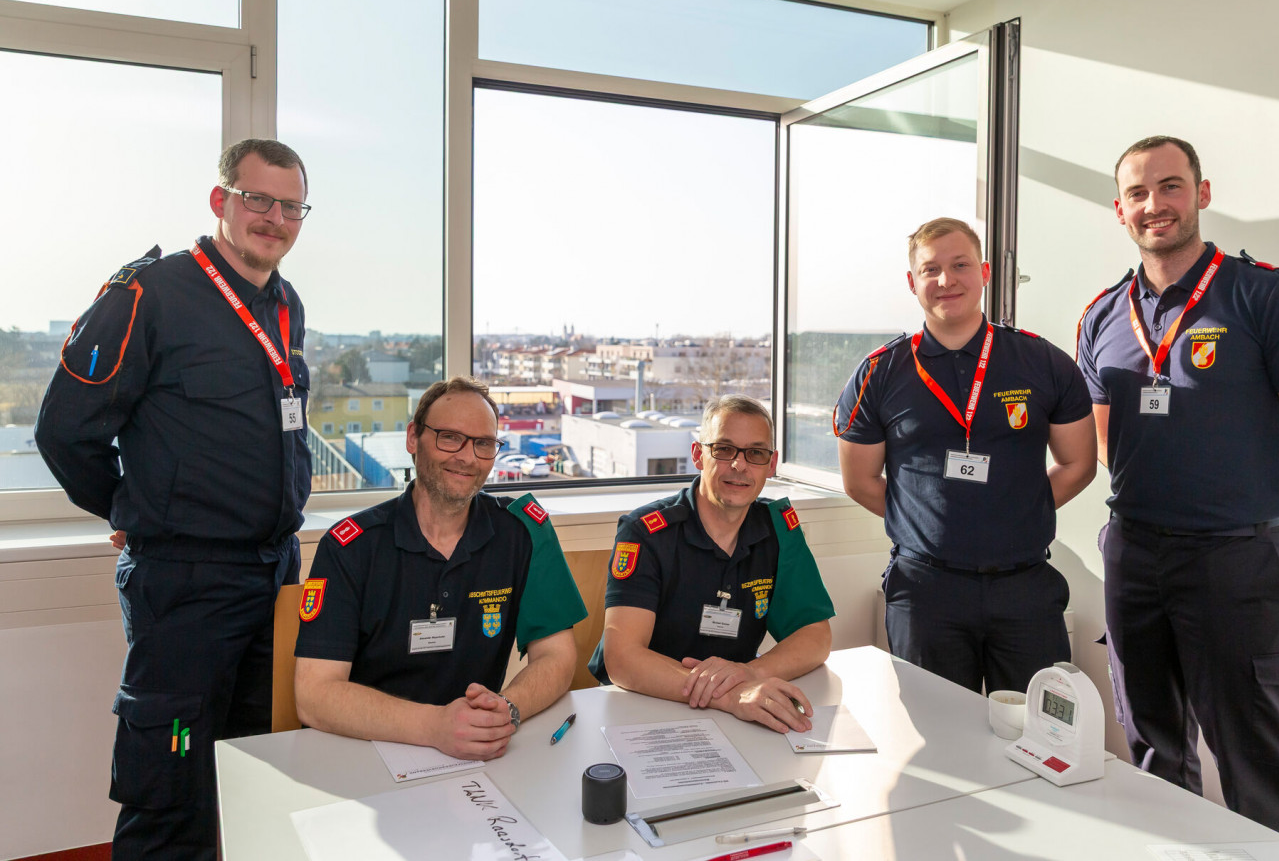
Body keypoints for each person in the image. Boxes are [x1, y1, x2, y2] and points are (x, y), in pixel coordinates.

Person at [34, 138, 313, 861]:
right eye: (258, 199)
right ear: (221, 201)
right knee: (169, 790)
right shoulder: (149, 296)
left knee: (260, 775)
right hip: (186, 584)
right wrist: (131, 509)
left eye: (291, 207)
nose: (275, 218)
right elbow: (64, 431)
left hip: (276, 574)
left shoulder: (285, 304)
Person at [1077, 136, 1279, 844]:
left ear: (1201, 194)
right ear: (1120, 209)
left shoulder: (1268, 296)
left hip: (1239, 562)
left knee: (1255, 762)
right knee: (1151, 751)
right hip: (1135, 558)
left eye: (1170, 186)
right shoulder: (1102, 315)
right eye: (1138, 193)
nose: (1155, 204)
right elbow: (1110, 443)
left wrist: (1245, 507)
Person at [835, 217, 1096, 695]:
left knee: (1038, 729)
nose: (946, 280)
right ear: (912, 281)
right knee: (938, 731)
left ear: (985, 272)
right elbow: (860, 481)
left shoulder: (1043, 362)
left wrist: (1019, 510)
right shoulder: (880, 372)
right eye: (930, 269)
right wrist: (926, 521)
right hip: (925, 594)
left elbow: (1079, 463)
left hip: (1026, 589)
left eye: (960, 265)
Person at [294, 377, 586, 758]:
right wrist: (434, 727)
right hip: (365, 752)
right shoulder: (350, 547)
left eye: (484, 444)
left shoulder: (524, 533)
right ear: (413, 438)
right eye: (450, 437)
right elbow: (314, 694)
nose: (467, 457)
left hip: (477, 757)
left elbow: (557, 656)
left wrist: (506, 710)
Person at [590, 395, 834, 734]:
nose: (739, 465)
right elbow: (623, 659)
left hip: (737, 713)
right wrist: (730, 695)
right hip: (642, 706)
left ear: (771, 464)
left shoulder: (778, 529)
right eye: (724, 449)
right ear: (698, 455)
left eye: (756, 453)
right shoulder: (646, 532)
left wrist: (751, 673)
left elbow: (816, 635)